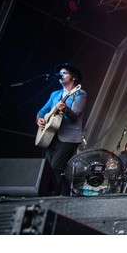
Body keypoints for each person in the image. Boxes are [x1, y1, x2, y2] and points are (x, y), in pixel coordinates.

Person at [36, 63, 87, 195]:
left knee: (55, 167)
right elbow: (42, 111)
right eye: (60, 73)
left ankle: (53, 198)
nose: (61, 75)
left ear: (74, 77)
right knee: (49, 169)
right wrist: (39, 119)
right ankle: (63, 195)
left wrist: (66, 109)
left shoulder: (80, 93)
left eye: (65, 73)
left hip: (69, 138)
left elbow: (75, 116)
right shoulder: (55, 94)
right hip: (50, 135)